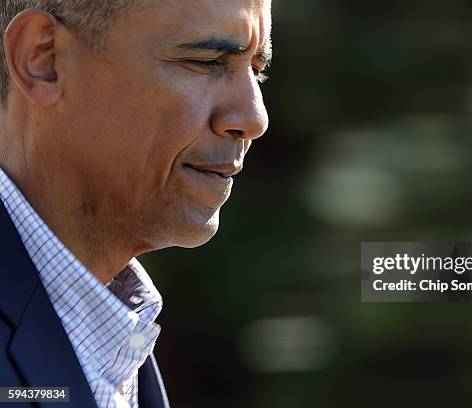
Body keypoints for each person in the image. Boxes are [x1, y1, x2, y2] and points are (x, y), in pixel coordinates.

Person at [0, 0, 271, 406]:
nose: (254, 118)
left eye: (256, 70)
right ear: (43, 59)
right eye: (206, 61)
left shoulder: (115, 326)